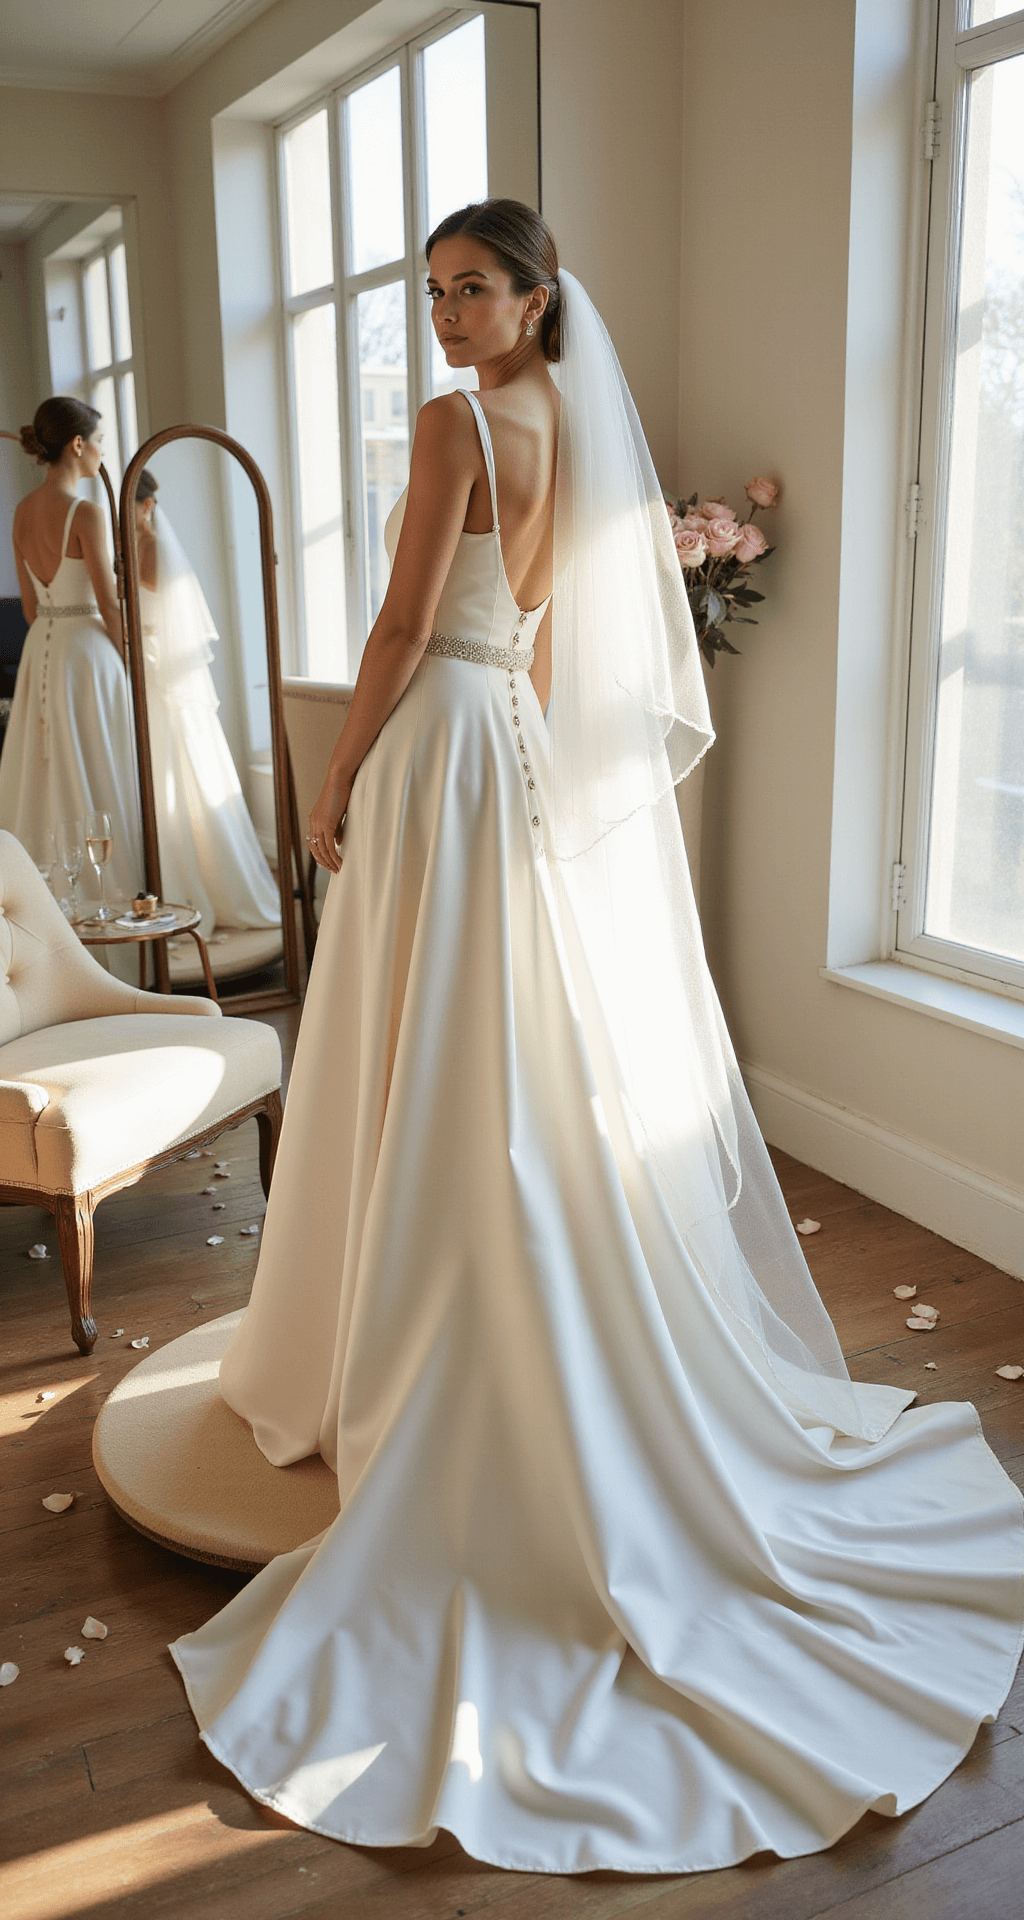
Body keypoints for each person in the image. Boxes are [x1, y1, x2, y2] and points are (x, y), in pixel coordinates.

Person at [171, 202, 1023, 1875]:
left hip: (436, 739)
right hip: (508, 739)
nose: (443, 317)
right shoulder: (575, 419)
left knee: (422, 1034)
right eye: (432, 294)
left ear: (533, 295)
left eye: (470, 290)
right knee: (498, 1037)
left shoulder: (458, 427)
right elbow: (543, 625)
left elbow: (400, 627)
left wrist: (332, 779)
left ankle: (392, 1318)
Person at [0, 398, 142, 913]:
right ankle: (108, 899)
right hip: (85, 654)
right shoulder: (86, 513)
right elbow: (109, 602)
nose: (102, 452)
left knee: (41, 771)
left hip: (42, 647)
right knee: (97, 763)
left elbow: (31, 608)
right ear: (77, 444)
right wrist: (132, 664)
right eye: (99, 441)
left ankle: (41, 906)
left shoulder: (21, 511)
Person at [132, 470, 280, 938]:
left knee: (178, 773)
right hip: (139, 669)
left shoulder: (152, 548)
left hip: (158, 671)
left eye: (130, 505)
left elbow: (161, 616)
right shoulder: (129, 548)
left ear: (147, 506)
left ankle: (197, 886)